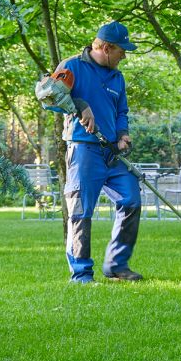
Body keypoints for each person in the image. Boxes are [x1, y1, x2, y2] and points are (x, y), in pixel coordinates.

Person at [37, 21, 143, 283]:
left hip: (112, 153)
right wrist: (81, 105)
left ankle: (117, 265)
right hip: (84, 150)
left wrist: (122, 135)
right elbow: (48, 96)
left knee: (131, 199)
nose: (124, 55)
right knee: (81, 211)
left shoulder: (117, 77)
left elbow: (121, 112)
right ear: (106, 47)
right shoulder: (72, 66)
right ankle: (81, 274)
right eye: (121, 50)